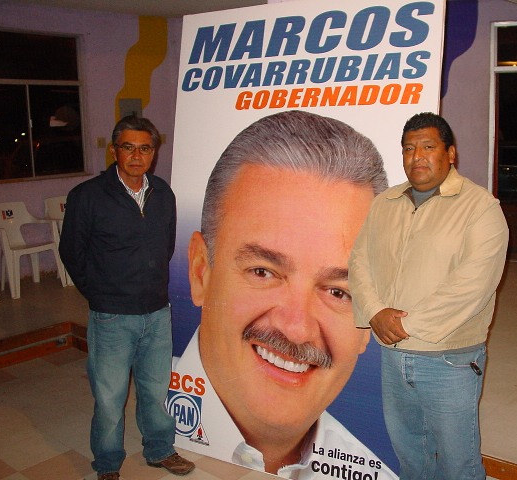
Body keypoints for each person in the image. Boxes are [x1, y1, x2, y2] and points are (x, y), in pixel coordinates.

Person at [170, 110, 398, 479]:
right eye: (263, 272)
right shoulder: (151, 423)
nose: (296, 328)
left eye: (338, 292)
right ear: (200, 272)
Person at [348, 112, 509, 480]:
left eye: (427, 147)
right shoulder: (385, 203)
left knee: (458, 464)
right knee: (411, 457)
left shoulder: (480, 207)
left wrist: (405, 325)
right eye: (409, 148)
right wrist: (374, 312)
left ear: (450, 153)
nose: (416, 156)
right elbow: (359, 260)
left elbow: (473, 284)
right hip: (392, 354)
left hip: (449, 359)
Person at [59, 115, 195, 480]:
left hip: (157, 311)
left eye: (145, 148)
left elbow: (166, 245)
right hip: (112, 315)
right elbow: (71, 252)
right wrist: (100, 293)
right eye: (128, 147)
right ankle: (107, 463)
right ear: (114, 150)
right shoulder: (87, 196)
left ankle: (160, 449)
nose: (137, 156)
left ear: (154, 152)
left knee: (155, 390)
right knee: (109, 398)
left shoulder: (162, 193)